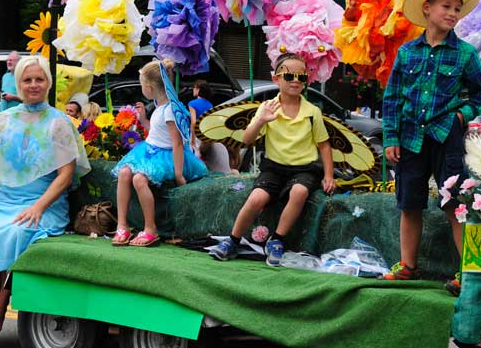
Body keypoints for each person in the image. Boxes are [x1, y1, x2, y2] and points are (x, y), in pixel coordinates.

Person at [0, 55, 90, 348]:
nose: (33, 85)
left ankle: (1, 303)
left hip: (44, 203)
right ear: (17, 84)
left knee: (18, 233)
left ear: (48, 83)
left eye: (39, 79)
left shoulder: (59, 122)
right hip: (5, 199)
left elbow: (65, 175)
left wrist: (38, 207)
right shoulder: (5, 119)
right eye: (27, 80)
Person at [381, 0, 481, 296]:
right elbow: (391, 98)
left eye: (457, 9)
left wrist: (463, 114)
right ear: (427, 8)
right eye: (447, 6)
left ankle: (467, 274)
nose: (453, 14)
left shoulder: (465, 54)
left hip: (447, 136)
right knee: (409, 201)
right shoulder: (407, 53)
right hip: (411, 137)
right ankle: (407, 267)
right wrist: (390, 137)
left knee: (453, 202)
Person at [208, 53, 336, 266]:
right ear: (276, 79)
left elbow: (324, 144)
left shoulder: (313, 112)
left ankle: (277, 240)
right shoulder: (267, 107)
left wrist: (329, 176)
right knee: (256, 197)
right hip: (273, 168)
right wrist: (260, 120)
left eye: (301, 77)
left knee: (300, 191)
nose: (295, 80)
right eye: (289, 76)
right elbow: (247, 139)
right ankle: (232, 240)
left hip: (304, 169)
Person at [110, 59, 207, 247]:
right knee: (124, 173)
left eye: (141, 86)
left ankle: (150, 228)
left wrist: (179, 174)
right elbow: (156, 133)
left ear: (149, 87)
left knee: (139, 179)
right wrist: (144, 120)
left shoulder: (171, 109)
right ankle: (122, 224)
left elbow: (177, 143)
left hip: (166, 156)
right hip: (149, 151)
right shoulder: (159, 106)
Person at [188, 80, 214, 153]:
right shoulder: (210, 105)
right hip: (206, 134)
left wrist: (192, 139)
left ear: (198, 89)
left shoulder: (192, 104)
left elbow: (193, 122)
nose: (193, 89)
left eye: (194, 87)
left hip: (196, 134)